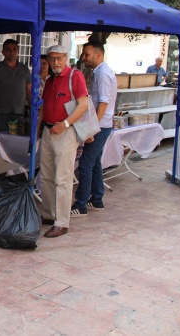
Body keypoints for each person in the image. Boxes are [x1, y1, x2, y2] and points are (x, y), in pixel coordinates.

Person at [38, 45, 88, 238]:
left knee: (63, 179)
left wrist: (65, 124)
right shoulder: (50, 80)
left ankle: (62, 222)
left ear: (66, 57)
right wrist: (38, 130)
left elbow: (83, 105)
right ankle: (50, 214)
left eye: (59, 58)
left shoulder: (74, 76)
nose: (55, 62)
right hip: (48, 130)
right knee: (46, 177)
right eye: (52, 58)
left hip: (65, 132)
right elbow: (44, 108)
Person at [71, 41, 117, 217]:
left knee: (85, 164)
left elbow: (103, 102)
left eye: (87, 54)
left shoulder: (103, 74)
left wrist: (92, 128)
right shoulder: (100, 72)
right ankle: (97, 199)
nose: (84, 58)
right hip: (102, 124)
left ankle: (81, 204)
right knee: (95, 162)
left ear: (98, 55)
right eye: (83, 54)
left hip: (101, 125)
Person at [0, 39, 32, 132]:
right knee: (1, 138)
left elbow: (29, 92)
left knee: (17, 139)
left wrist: (32, 110)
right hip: (1, 114)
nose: (11, 52)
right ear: (3, 52)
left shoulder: (25, 69)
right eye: (8, 49)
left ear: (18, 51)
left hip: (19, 113)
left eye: (14, 49)